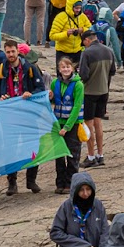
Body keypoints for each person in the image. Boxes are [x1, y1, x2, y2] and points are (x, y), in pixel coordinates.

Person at [0, 40, 47, 195]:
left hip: (28, 116)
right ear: (5, 53)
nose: (11, 55)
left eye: (13, 51)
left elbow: (41, 88)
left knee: (32, 147)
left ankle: (31, 180)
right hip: (9, 116)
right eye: (8, 52)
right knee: (11, 149)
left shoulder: (30, 68)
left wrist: (31, 94)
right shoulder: (0, 70)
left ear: (18, 52)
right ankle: (12, 183)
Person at [78, 28, 114, 167]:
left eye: (84, 42)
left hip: (89, 93)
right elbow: (113, 71)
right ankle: (101, 155)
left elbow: (84, 75)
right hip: (104, 91)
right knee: (98, 122)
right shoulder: (108, 50)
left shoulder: (87, 53)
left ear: (87, 40)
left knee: (89, 124)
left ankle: (91, 157)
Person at [49, 55, 85, 191]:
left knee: (72, 155)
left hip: (73, 125)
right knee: (59, 155)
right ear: (59, 69)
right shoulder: (54, 83)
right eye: (63, 67)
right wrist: (50, 98)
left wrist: (67, 126)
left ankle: (71, 183)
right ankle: (60, 183)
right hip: (58, 123)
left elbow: (76, 107)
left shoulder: (78, 85)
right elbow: (53, 103)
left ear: (72, 68)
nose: (65, 69)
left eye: (68, 66)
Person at [49, 0, 94, 66]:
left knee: (77, 76)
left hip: (78, 51)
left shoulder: (82, 16)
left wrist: (82, 30)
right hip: (63, 52)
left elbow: (91, 30)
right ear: (70, 7)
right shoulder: (61, 17)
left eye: (80, 8)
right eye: (76, 8)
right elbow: (52, 35)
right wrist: (66, 34)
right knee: (63, 75)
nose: (78, 10)